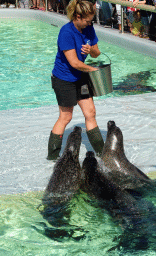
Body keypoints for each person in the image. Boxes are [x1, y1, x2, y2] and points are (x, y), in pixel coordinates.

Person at [47, 0, 104, 160]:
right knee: (66, 117)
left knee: (90, 113)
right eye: (87, 20)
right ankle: (52, 157)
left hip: (80, 76)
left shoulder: (89, 28)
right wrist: (95, 70)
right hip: (63, 79)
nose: (89, 23)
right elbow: (74, 63)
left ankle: (102, 153)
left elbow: (97, 53)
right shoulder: (66, 32)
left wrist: (91, 49)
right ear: (78, 16)